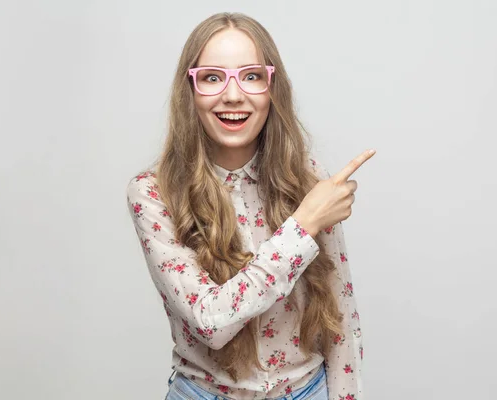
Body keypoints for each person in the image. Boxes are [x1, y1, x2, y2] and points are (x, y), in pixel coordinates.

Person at [126, 12, 375, 400]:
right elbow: (211, 322)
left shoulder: (308, 177)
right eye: (212, 77)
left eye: (251, 76)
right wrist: (303, 225)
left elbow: (340, 316)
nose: (233, 94)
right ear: (189, 90)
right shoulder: (153, 193)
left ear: (272, 87)